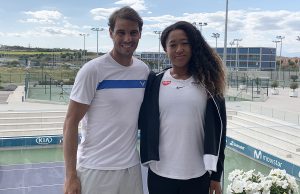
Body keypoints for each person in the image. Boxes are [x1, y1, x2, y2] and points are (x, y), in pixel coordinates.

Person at [63, 6, 149, 194]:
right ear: (110, 33)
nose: (128, 39)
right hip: (96, 169)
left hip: (131, 169)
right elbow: (70, 122)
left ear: (140, 34)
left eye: (133, 32)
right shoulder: (92, 70)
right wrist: (70, 176)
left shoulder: (143, 70)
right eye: (121, 32)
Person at [139, 21, 227, 194]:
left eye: (185, 43)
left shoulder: (209, 84)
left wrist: (216, 176)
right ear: (166, 49)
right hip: (159, 174)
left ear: (194, 46)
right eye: (173, 44)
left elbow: (220, 132)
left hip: (198, 176)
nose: (179, 49)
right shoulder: (154, 82)